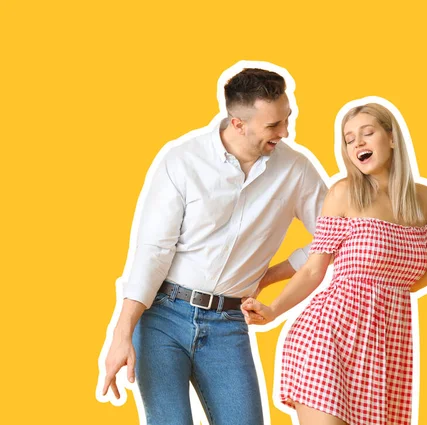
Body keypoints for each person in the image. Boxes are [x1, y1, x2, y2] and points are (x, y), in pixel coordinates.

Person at [98, 65, 328, 425]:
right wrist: (121, 333)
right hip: (162, 315)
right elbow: (152, 252)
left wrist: (268, 278)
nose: (286, 131)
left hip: (228, 323)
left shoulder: (296, 171)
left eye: (288, 118)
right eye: (273, 125)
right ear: (238, 123)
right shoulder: (183, 161)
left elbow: (334, 237)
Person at [242, 102, 427, 425]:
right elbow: (314, 268)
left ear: (391, 138)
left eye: (367, 133)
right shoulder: (344, 194)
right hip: (329, 339)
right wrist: (273, 310)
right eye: (349, 139)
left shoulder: (426, 201)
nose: (357, 144)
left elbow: (402, 283)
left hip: (386, 350)